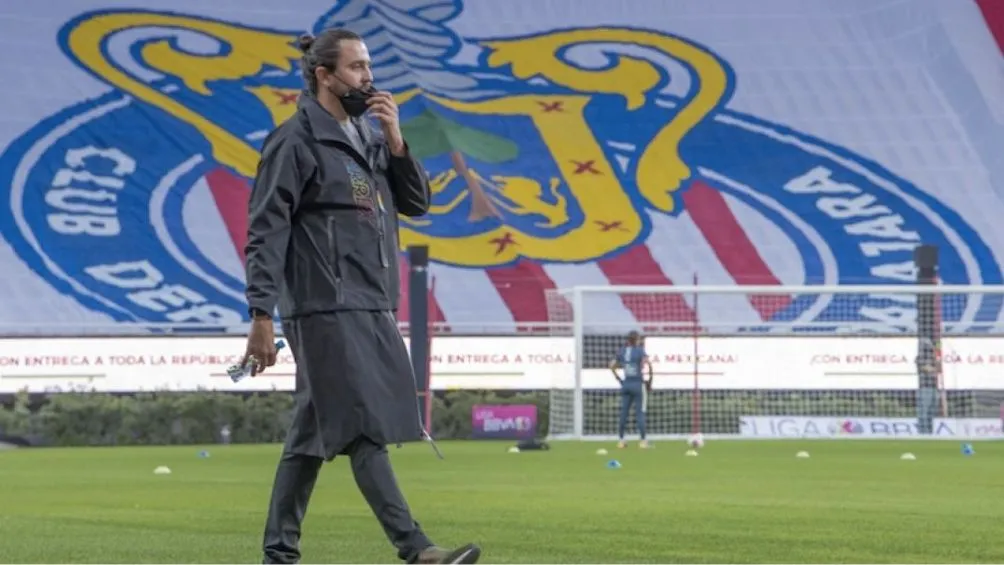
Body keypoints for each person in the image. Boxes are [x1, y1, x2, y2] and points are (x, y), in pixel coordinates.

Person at [240, 28, 481, 565]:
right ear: (324, 75)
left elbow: (416, 204)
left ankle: (278, 554)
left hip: (371, 301)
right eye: (356, 68)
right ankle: (416, 548)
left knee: (311, 433)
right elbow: (266, 230)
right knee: (362, 424)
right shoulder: (294, 141)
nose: (368, 78)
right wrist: (261, 313)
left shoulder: (370, 137)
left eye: (368, 67)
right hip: (322, 304)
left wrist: (396, 142)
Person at [609, 331, 653, 449]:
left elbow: (611, 365)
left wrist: (619, 379)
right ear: (637, 340)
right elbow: (647, 363)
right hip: (638, 384)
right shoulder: (639, 350)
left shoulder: (622, 351)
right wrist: (650, 380)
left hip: (626, 384)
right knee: (640, 413)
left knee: (624, 412)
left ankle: (621, 441)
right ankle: (643, 441)